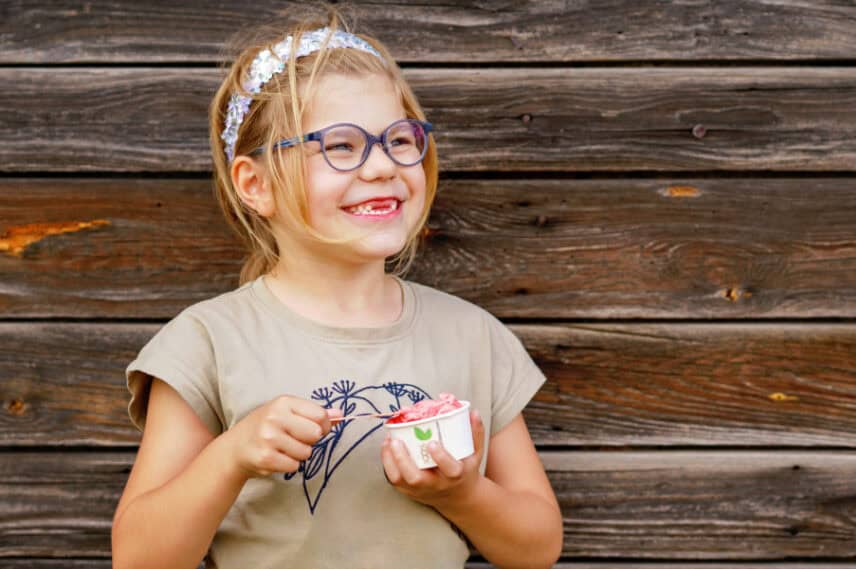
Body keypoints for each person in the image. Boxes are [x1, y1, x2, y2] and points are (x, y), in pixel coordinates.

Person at [110, 7, 562, 569]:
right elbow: (138, 558)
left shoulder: (473, 337)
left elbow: (539, 546)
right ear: (256, 185)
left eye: (399, 139)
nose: (382, 167)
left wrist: (463, 495)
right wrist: (229, 457)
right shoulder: (206, 342)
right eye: (342, 146)